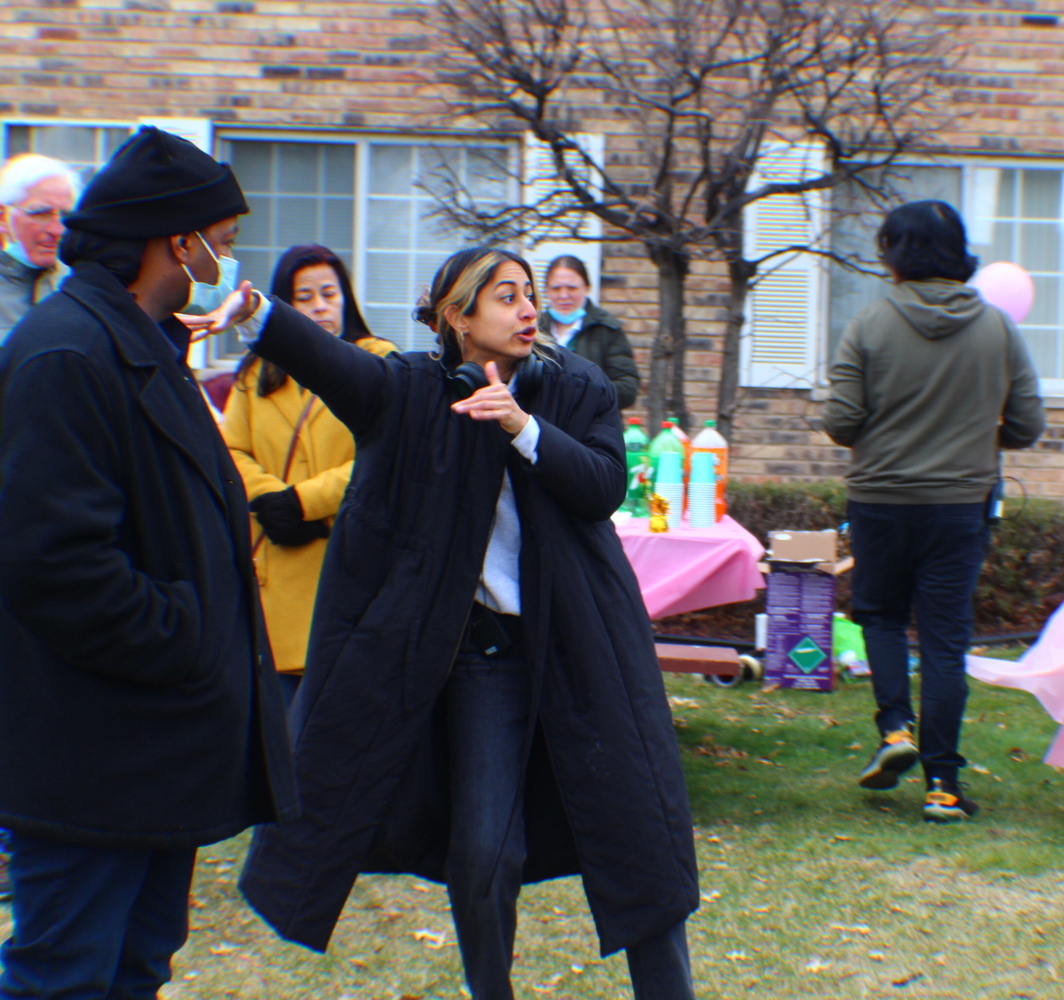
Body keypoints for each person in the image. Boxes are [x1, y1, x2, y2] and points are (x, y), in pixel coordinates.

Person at [189, 248, 697, 1000]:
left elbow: (601, 486)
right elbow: (336, 365)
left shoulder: (577, 387)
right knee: (486, 854)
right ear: (457, 317)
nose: (528, 310)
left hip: (580, 649)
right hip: (481, 662)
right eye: (505, 297)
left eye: (530, 295)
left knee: (641, 839)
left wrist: (522, 426)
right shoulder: (412, 393)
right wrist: (259, 315)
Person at [0, 126, 296, 999]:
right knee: (65, 976)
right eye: (221, 237)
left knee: (133, 967)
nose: (228, 255)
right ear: (178, 239)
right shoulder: (67, 353)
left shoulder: (140, 340)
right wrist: (188, 637)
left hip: (150, 749)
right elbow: (53, 562)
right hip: (94, 752)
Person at [822, 200, 1044, 823]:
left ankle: (895, 729)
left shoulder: (868, 324)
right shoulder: (998, 329)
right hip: (959, 508)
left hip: (881, 502)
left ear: (896, 252)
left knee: (883, 618)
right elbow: (1027, 424)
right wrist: (970, 430)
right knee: (946, 644)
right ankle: (943, 787)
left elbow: (840, 421)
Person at [220, 245, 398, 705]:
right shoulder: (255, 373)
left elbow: (390, 452)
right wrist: (272, 500)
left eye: (329, 293)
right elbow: (231, 449)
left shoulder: (379, 361)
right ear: (285, 305)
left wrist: (306, 503)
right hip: (276, 573)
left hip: (350, 563)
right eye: (305, 296)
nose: (320, 306)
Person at [536, 255, 640, 409]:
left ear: (587, 288)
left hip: (593, 427)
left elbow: (627, 388)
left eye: (572, 288)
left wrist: (583, 396)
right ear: (546, 290)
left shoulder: (606, 329)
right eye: (556, 288)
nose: (564, 296)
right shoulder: (534, 330)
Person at [0, 154, 79, 342]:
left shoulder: (80, 286)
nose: (57, 230)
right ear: (3, 217)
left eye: (66, 215)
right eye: (40, 214)